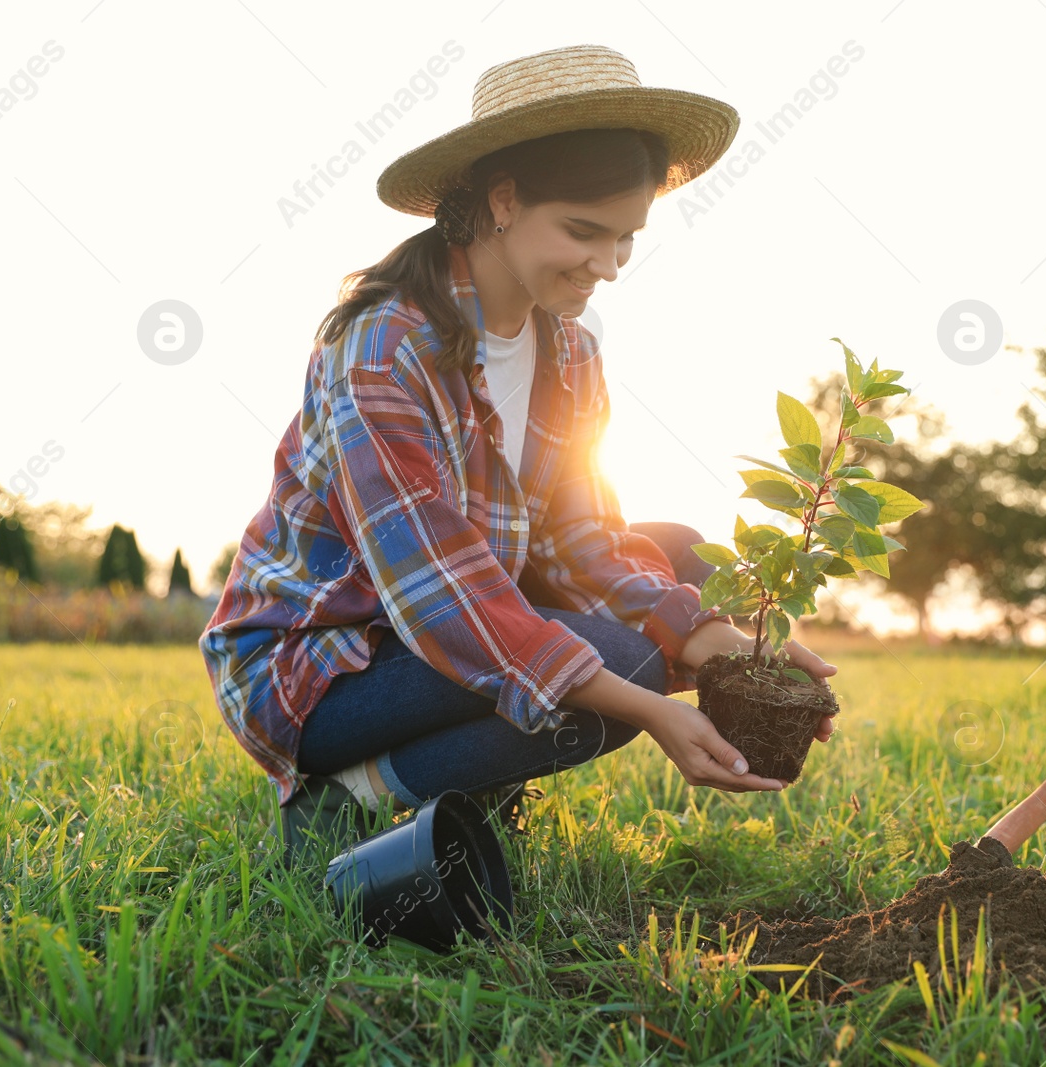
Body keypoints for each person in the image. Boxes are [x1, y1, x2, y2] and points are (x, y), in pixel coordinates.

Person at [198, 45, 837, 868]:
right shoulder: (383, 348)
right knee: (624, 663)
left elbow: (586, 543)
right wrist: (649, 706)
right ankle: (342, 804)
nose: (606, 267)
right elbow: (441, 595)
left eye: (626, 240)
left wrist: (726, 641)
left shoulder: (570, 353)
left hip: (431, 624)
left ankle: (465, 788)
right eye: (583, 232)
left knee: (682, 559)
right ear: (503, 201)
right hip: (321, 660)